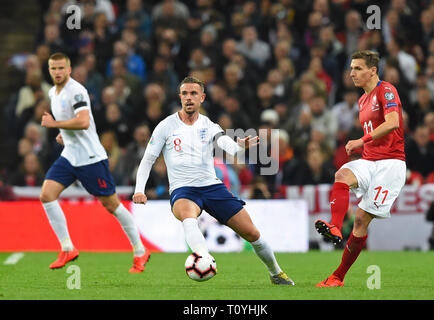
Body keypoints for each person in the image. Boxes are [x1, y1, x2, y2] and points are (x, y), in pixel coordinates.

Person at [132, 76, 294, 285]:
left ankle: (276, 273)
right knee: (188, 216)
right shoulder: (166, 126)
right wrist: (139, 190)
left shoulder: (208, 125)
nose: (189, 98)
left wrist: (240, 145)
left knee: (252, 233)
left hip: (212, 187)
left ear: (202, 98)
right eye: (185, 94)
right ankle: (203, 257)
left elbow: (226, 144)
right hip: (183, 189)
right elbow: (147, 160)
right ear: (180, 96)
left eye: (193, 94)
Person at [40, 52, 150, 273]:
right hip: (70, 155)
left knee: (111, 205)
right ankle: (67, 247)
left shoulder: (77, 91)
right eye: (54, 68)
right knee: (46, 195)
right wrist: (63, 132)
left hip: (90, 158)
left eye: (62, 68)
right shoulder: (53, 92)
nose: (58, 72)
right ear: (49, 70)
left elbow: (83, 121)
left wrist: (55, 124)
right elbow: (73, 124)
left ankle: (140, 250)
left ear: (69, 69)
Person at [315, 50, 406, 287]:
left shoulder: (386, 90)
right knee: (341, 174)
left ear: (372, 70)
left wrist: (360, 141)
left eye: (357, 68)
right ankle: (335, 226)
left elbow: (393, 122)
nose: (351, 73)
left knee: (360, 221)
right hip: (370, 160)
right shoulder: (362, 100)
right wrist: (364, 145)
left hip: (390, 164)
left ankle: (338, 276)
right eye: (351, 68)